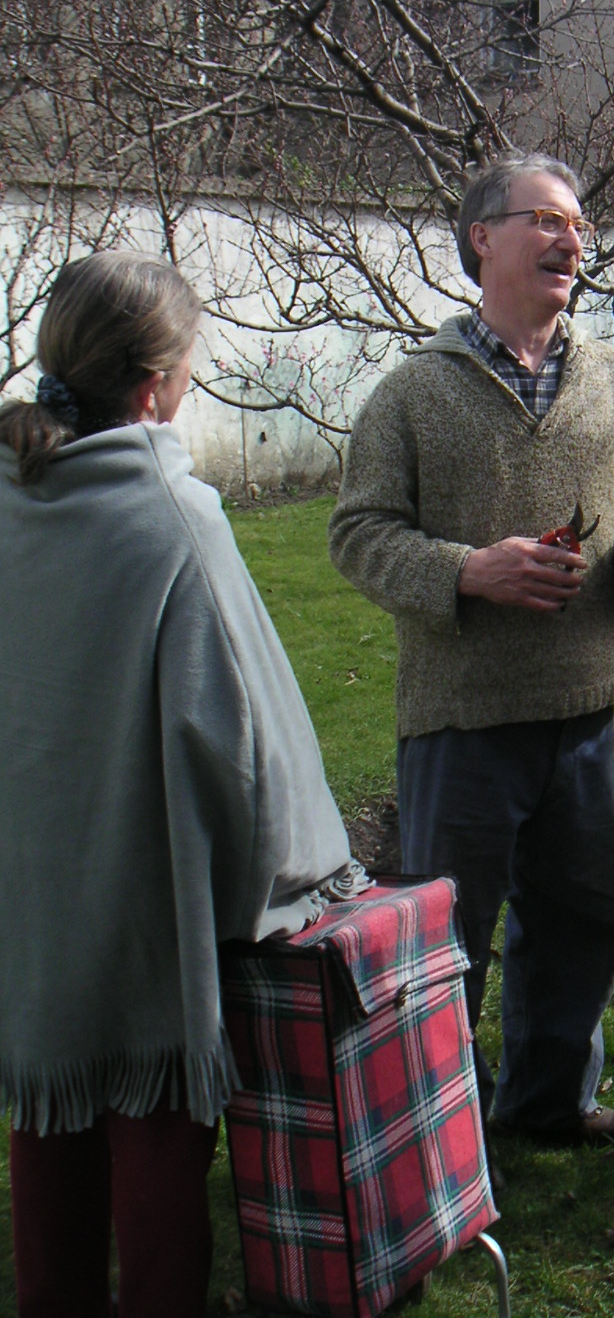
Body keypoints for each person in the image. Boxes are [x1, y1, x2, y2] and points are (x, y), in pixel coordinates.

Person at [0, 251, 364, 1318]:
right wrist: (301, 874)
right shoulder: (172, 511)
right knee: (158, 1151)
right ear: (158, 382)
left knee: (49, 1122)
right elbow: (244, 742)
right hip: (145, 898)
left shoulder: (12, 496)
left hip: (30, 895)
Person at [329, 152, 614, 1146]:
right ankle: (446, 1136)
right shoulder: (412, 393)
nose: (572, 240)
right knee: (450, 942)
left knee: (585, 923)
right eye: (548, 220)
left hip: (583, 706)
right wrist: (469, 571)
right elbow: (358, 533)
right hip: (463, 714)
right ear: (483, 238)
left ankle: (549, 1106)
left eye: (579, 225)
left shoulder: (612, 377)